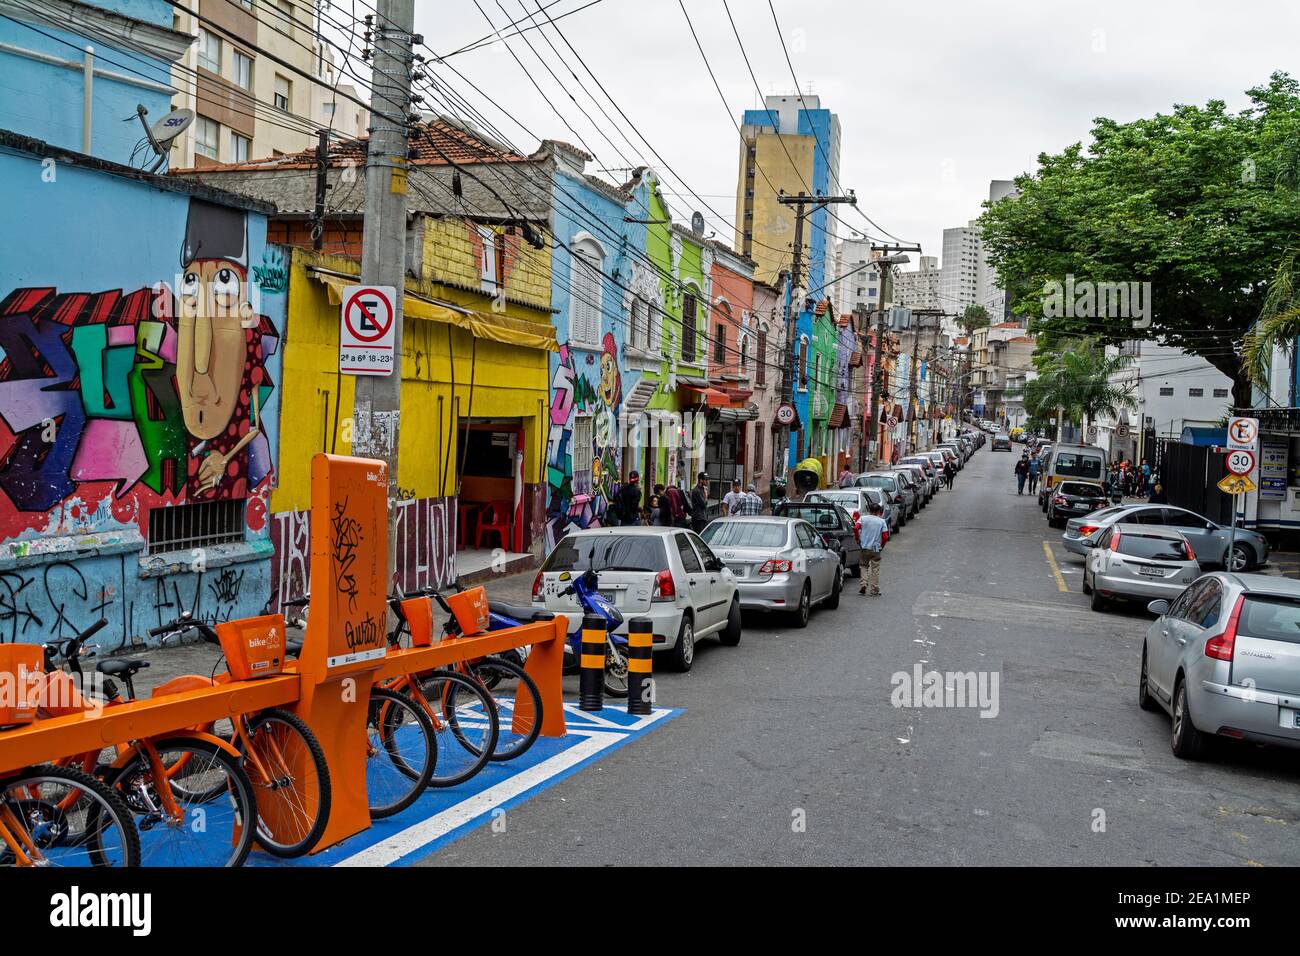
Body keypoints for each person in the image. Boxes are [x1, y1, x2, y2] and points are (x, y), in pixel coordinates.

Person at [856, 501, 889, 596]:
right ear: (879, 511)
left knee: (863, 566)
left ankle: (864, 584)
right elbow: (885, 536)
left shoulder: (862, 518)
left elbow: (855, 527)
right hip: (875, 548)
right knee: (875, 569)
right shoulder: (881, 521)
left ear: (869, 510)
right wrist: (881, 546)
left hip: (864, 546)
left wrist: (858, 539)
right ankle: (874, 589)